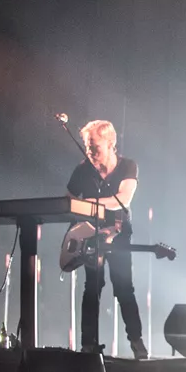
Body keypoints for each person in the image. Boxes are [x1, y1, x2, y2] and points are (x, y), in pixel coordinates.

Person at [66, 119, 145, 358]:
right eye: (87, 146)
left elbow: (124, 199)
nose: (90, 151)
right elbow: (69, 199)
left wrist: (90, 203)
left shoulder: (128, 166)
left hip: (120, 235)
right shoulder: (83, 169)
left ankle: (136, 340)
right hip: (91, 235)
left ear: (110, 143)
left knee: (123, 287)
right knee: (92, 287)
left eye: (95, 146)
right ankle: (88, 344)